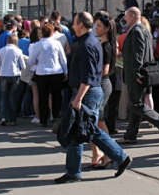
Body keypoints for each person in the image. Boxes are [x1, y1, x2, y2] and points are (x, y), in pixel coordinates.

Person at [54, 12, 132, 184]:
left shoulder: (88, 44)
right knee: (79, 132)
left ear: (81, 24)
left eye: (74, 23)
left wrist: (78, 98)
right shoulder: (88, 42)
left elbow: (89, 76)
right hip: (87, 92)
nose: (72, 26)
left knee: (89, 130)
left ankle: (120, 157)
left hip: (87, 93)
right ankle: (73, 172)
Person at [117, 7, 159, 145]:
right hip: (144, 73)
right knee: (134, 105)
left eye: (127, 17)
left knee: (136, 104)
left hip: (138, 74)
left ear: (133, 16)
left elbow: (138, 53)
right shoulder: (144, 30)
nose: (125, 20)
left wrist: (136, 72)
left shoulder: (136, 31)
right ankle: (130, 135)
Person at [87, 13, 117, 168]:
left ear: (106, 28)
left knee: (97, 120)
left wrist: (90, 77)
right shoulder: (104, 44)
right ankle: (99, 153)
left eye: (98, 25)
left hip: (102, 83)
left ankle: (106, 153)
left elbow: (104, 70)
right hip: (101, 82)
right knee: (96, 120)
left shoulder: (106, 46)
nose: (95, 28)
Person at [29, 23, 67, 127]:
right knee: (57, 95)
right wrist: (65, 71)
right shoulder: (57, 43)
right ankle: (56, 116)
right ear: (52, 32)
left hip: (41, 72)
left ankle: (43, 120)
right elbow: (63, 59)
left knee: (43, 97)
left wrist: (38, 63)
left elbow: (31, 60)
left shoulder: (38, 45)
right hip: (56, 71)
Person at [0, 34, 26, 126]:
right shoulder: (18, 51)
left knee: (4, 97)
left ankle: (3, 116)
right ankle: (12, 119)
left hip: (4, 74)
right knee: (13, 98)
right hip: (15, 75)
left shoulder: (2, 50)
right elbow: (23, 65)